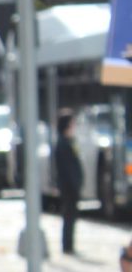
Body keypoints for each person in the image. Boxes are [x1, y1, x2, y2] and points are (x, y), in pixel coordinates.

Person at [54, 110, 82, 256]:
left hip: (70, 186)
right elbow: (67, 169)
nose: (74, 127)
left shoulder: (68, 142)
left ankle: (69, 245)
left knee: (71, 216)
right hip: (68, 187)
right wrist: (75, 184)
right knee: (69, 216)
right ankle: (67, 246)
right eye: (72, 124)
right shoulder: (63, 144)